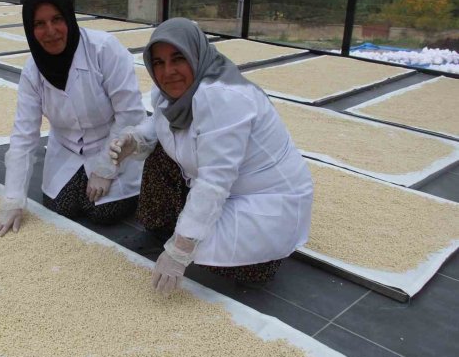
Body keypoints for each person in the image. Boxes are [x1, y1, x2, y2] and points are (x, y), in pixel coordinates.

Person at [109, 18, 313, 294]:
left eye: (177, 58)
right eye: (158, 63)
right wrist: (134, 141)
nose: (167, 71)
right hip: (226, 185)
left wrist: (180, 250)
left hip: (266, 197)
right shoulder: (170, 93)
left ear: (196, 54)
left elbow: (215, 180)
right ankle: (172, 226)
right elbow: (158, 124)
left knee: (230, 265)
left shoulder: (223, 98)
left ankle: (266, 256)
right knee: (158, 155)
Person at [0, 0, 146, 236]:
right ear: (30, 29)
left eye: (57, 19)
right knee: (60, 207)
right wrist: (13, 200)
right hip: (67, 147)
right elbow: (24, 135)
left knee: (102, 211)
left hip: (113, 142)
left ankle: (126, 183)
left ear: (69, 18)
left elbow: (130, 114)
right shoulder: (33, 71)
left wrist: (106, 167)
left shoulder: (104, 50)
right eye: (39, 24)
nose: (50, 31)